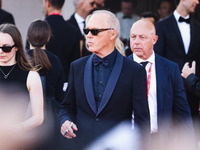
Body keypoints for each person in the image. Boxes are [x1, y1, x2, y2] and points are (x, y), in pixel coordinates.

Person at [59, 10, 150, 150]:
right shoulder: (77, 67)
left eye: (94, 31)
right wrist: (65, 121)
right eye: (86, 30)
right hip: (82, 145)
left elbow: (142, 121)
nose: (88, 35)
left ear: (112, 34)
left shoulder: (134, 71)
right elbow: (66, 107)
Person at [128, 19, 193, 134]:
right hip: (129, 139)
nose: (136, 42)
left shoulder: (170, 69)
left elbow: (182, 111)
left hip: (160, 139)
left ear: (154, 40)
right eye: (133, 37)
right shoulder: (121, 67)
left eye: (142, 37)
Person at [154, 0, 200, 122]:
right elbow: (157, 58)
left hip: (193, 92)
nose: (197, 1)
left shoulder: (198, 27)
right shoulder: (162, 26)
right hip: (170, 90)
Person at [0, 23, 43, 148]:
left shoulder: (31, 75)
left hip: (15, 140)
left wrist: (18, 128)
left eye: (6, 48)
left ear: (17, 47)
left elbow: (38, 117)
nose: (1, 52)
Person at [26, 19, 65, 150]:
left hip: (25, 119)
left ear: (27, 37)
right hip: (51, 119)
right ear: (48, 38)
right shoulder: (55, 60)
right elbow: (60, 95)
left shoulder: (21, 60)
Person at [41, 0, 80, 83]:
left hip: (42, 82)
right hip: (65, 83)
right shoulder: (73, 31)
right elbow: (76, 63)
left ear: (47, 3)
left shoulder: (38, 29)